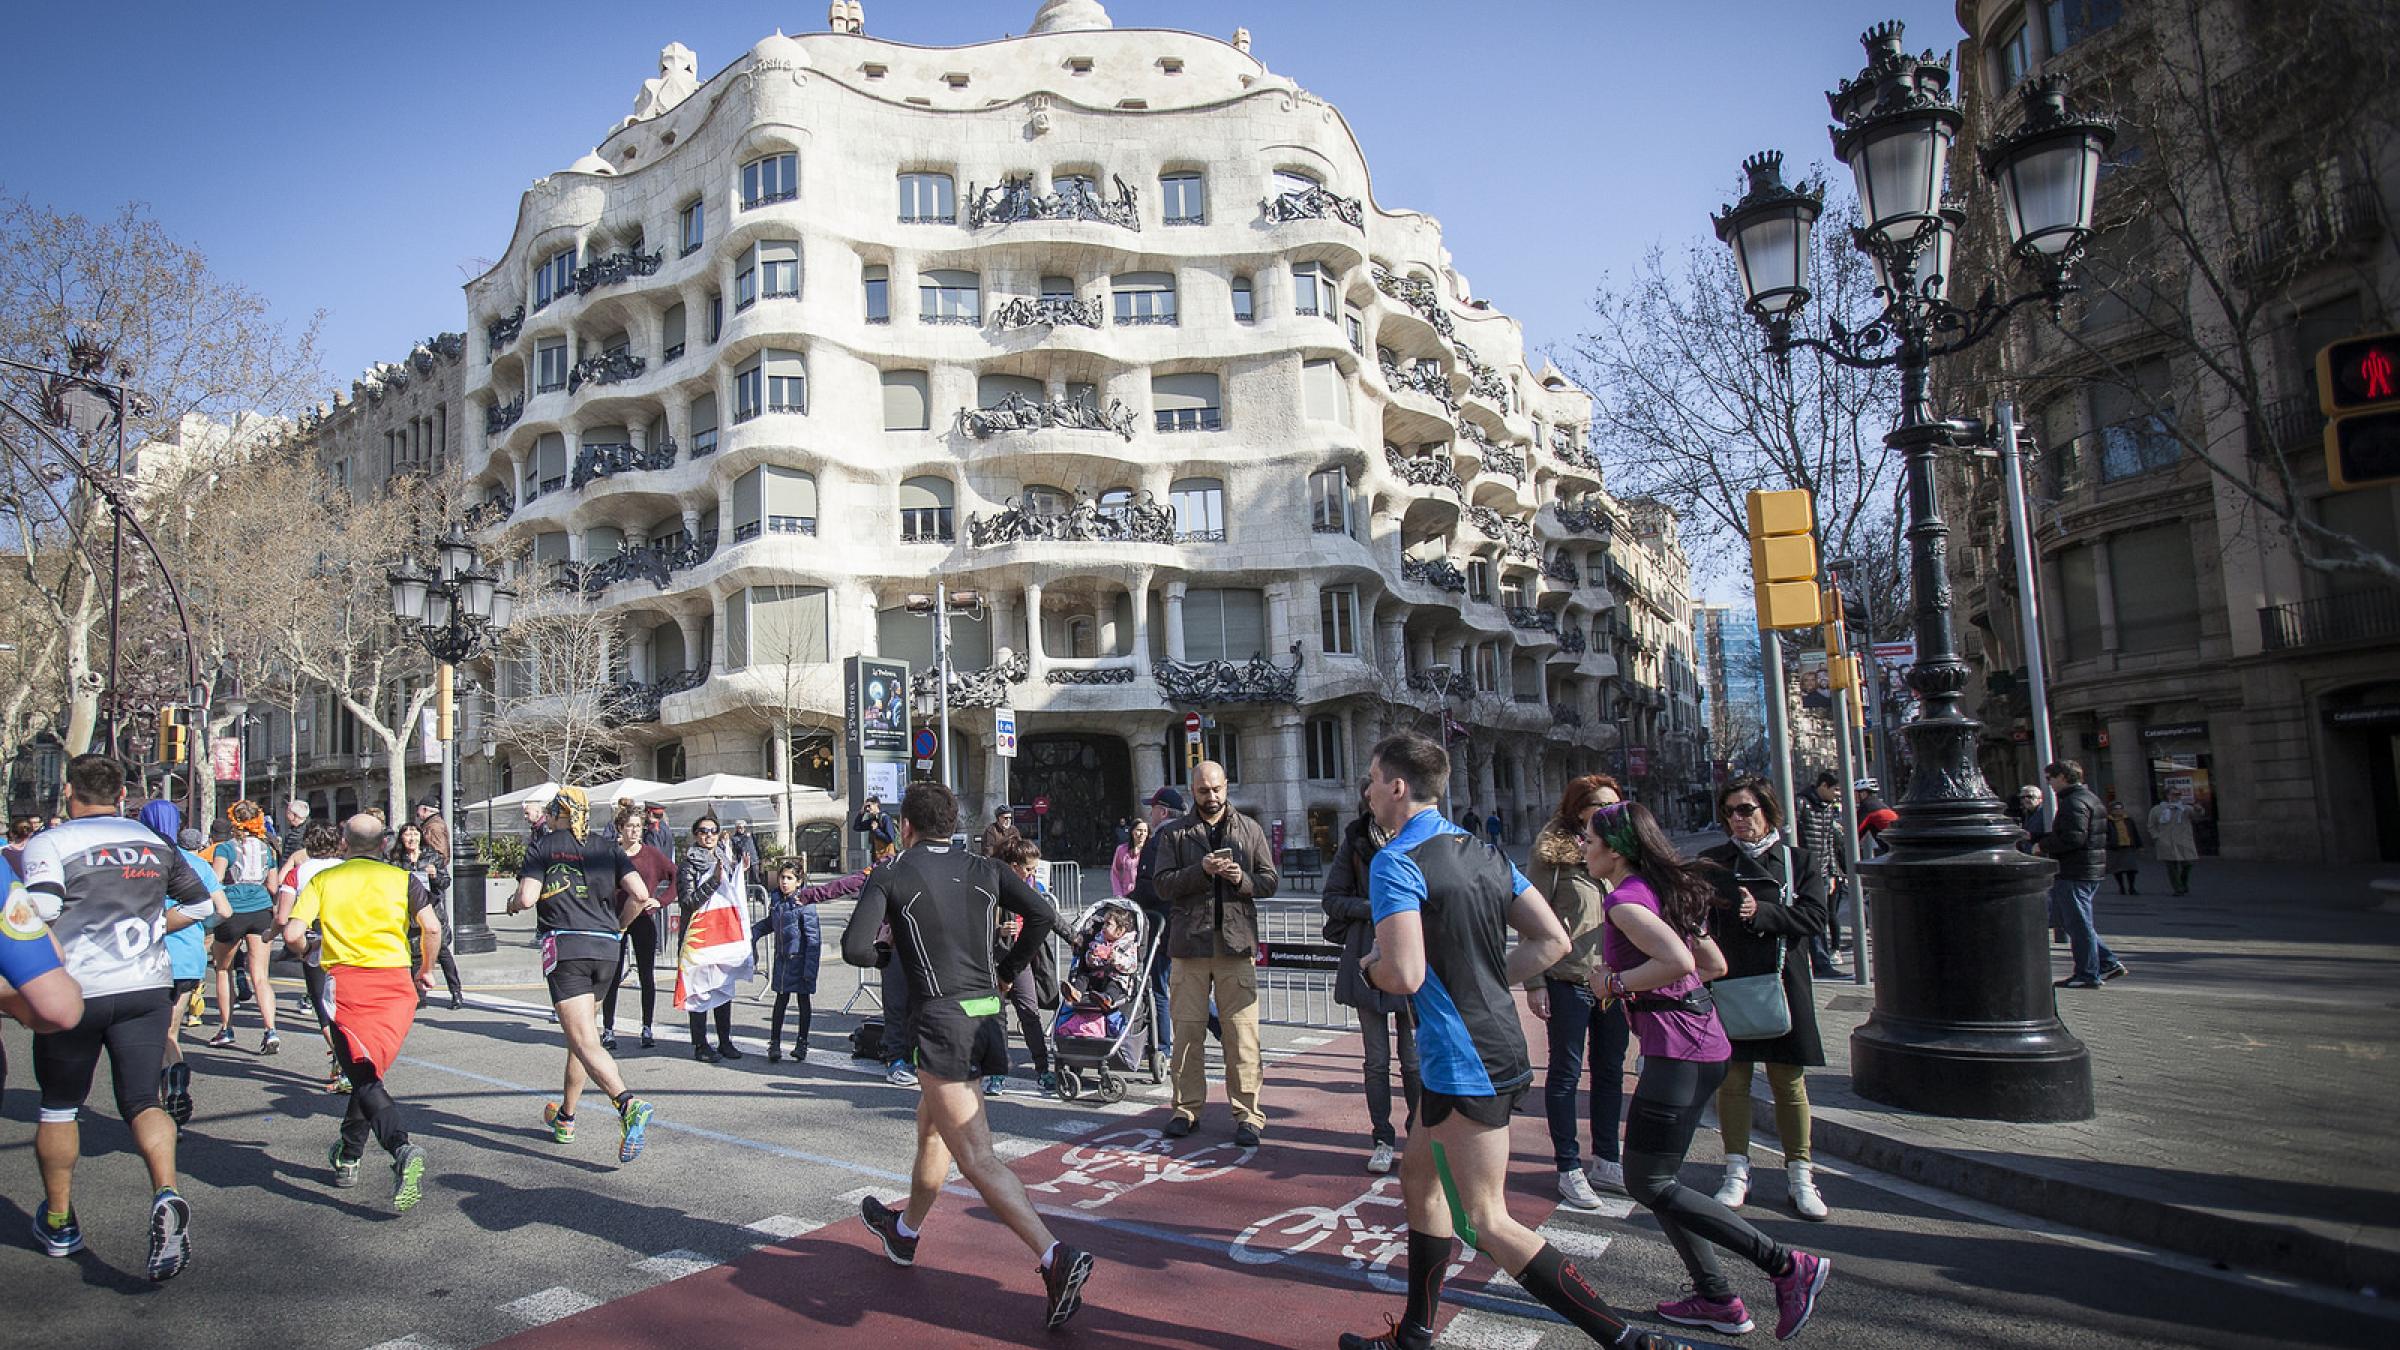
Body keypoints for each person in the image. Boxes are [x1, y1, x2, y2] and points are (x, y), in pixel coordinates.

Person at [1339, 734, 1683, 1350]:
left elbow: (1405, 974)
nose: (1365, 790)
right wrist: (1487, 979)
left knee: (1488, 1219)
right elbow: (1551, 942)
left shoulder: (1396, 861)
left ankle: (1631, 1341)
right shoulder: (1485, 851)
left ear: (1397, 787)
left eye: (1370, 779)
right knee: (1419, 1178)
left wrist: (1367, 969)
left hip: (1463, 1059)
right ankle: (1415, 1334)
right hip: (1489, 1041)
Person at [842, 782, 1094, 1332]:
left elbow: (856, 948)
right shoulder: (986, 866)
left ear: (905, 825)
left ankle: (1054, 1256)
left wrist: (887, 952)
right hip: (986, 1017)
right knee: (932, 1126)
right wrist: (1007, 971)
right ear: (952, 824)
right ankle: (904, 1232)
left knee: (977, 1157)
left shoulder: (893, 871)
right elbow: (1043, 915)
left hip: (942, 1022)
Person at [1583, 798, 1831, 1341]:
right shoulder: (1661, 891)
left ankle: (1786, 1265)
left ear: (1617, 849)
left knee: (1646, 1179)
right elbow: (1713, 964)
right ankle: (1716, 1298)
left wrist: (1615, 984)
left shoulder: (1626, 901)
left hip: (1678, 1052)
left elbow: (1679, 962)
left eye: (1590, 839)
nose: (1583, 847)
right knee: (1657, 1181)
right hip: (1703, 1044)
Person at [20, 754, 216, 1279]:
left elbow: (39, 913)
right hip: (145, 985)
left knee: (60, 1106)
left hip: (76, 989)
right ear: (122, 793)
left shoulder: (51, 842)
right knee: (141, 1100)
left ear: (68, 792)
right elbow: (203, 908)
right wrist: (154, 925)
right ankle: (167, 1192)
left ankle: (60, 1221)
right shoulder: (153, 842)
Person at [286, 813, 441, 1211]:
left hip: (349, 985)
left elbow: (291, 933)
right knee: (367, 1072)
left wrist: (307, 950)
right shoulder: (402, 879)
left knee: (363, 1075)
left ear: (343, 843)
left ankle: (400, 1147)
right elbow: (433, 928)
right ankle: (349, 1155)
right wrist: (425, 970)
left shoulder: (323, 879)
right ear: (384, 845)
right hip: (396, 987)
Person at [1698, 776, 1832, 1224]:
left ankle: (1800, 1174)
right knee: (1732, 1081)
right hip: (1731, 983)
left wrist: (1763, 914)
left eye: (1747, 809)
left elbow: (1814, 916)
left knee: (1788, 1082)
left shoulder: (1798, 862)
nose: (1739, 819)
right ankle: (1736, 1169)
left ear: (1769, 812)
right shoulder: (1713, 863)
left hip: (1782, 983)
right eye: (1731, 811)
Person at [512, 786, 659, 1160]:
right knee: (582, 1037)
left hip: (567, 948)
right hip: (606, 949)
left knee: (583, 1039)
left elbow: (527, 897)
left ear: (557, 812)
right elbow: (640, 894)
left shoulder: (543, 846)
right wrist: (619, 928)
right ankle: (566, 1116)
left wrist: (514, 903)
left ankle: (628, 1104)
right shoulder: (607, 847)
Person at [1154, 760, 1279, 1146]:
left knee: (1242, 1035)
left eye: (1217, 789)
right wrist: (1201, 870)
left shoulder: (1250, 829)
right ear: (1192, 790)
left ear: (1227, 786)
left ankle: (1247, 1114)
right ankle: (1186, 1109)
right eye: (1204, 790)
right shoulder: (1174, 833)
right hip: (1189, 946)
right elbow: (1161, 885)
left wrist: (1241, 879)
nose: (1211, 797)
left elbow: (1270, 881)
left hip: (1235, 945)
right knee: (1188, 1033)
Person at [1525, 774, 1629, 1212]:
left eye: (1614, 803)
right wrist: (1534, 981)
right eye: (1599, 805)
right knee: (1566, 1075)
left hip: (1618, 981)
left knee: (1610, 1072)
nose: (1608, 810)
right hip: (1569, 979)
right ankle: (1568, 1165)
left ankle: (1607, 1158)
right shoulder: (1554, 854)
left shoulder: (1623, 850)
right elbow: (1531, 918)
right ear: (1579, 809)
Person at [1322, 787, 1418, 1176]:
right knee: (1376, 1059)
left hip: (1411, 954)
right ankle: (1382, 1138)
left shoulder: (1419, 838)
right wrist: (1376, 907)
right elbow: (1332, 898)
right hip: (1366, 954)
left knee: (1413, 1060)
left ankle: (1419, 1133)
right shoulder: (1354, 840)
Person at [151, 813, 228, 1129]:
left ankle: (157, 1108)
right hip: (188, 957)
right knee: (171, 1030)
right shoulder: (200, 866)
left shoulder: (147, 859)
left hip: (150, 956)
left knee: (152, 1034)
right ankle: (177, 1083)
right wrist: (203, 930)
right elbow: (224, 910)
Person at [753, 857, 866, 1063]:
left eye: (789, 878)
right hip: (783, 961)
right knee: (780, 1001)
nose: (784, 882)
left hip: (801, 961)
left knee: (803, 1002)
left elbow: (813, 940)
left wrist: (810, 970)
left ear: (799, 881)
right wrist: (755, 931)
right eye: (782, 877)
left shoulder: (805, 904)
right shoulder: (777, 900)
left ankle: (802, 1043)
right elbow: (772, 923)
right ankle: (775, 1043)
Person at [2042, 761, 2129, 990]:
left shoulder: (2074, 802)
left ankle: (2088, 974)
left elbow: (2073, 838)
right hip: (2087, 869)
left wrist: (2042, 845)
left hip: (2076, 871)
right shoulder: (2089, 798)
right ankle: (2107, 962)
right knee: (2073, 922)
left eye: (2050, 778)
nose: (2048, 783)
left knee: (2078, 924)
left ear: (2063, 777)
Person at [206, 801, 284, 1051]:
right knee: (260, 975)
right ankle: (270, 1030)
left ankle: (226, 1027)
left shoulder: (225, 849)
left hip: (233, 910)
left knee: (223, 969)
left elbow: (215, 881)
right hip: (261, 910)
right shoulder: (267, 850)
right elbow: (273, 887)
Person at [675, 815, 751, 1062]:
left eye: (713, 831)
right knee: (699, 991)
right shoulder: (688, 865)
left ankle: (725, 1040)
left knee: (723, 987)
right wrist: (714, 881)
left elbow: (732, 896)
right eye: (703, 831)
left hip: (723, 935)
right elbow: (688, 902)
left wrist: (740, 872)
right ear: (695, 834)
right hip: (698, 937)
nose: (708, 835)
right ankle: (700, 1044)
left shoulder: (725, 860)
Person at [601, 803, 676, 1050]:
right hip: (615, 919)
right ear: (619, 829)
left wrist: (661, 901)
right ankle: (608, 1028)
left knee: (646, 975)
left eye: (638, 826)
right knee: (612, 975)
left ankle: (647, 1028)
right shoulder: (611, 853)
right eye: (629, 826)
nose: (634, 831)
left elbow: (677, 875)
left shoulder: (652, 854)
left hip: (643, 919)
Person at [992, 838, 1060, 1094]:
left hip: (1021, 960)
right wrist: (998, 930)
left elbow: (1049, 916)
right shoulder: (996, 888)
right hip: (998, 958)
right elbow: (974, 924)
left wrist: (1074, 937)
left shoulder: (1032, 887)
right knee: (997, 1015)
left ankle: (1043, 1069)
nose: (1033, 873)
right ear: (1013, 867)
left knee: (1029, 1012)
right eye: (1029, 869)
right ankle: (998, 1073)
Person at [1124, 787, 1182, 1061]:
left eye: (1153, 809)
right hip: (1183, 922)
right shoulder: (1189, 835)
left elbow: (1150, 885)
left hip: (1161, 923)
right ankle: (1220, 1030)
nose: (1150, 814)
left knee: (1159, 986)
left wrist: (1126, 901)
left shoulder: (1159, 840)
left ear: (1164, 811)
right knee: (1182, 984)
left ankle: (1163, 1046)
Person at [390, 821, 463, 1008]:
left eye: (415, 834)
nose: (412, 838)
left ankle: (456, 992)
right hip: (410, 912)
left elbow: (445, 882)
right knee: (415, 954)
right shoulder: (396, 860)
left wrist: (435, 875)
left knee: (442, 951)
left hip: (432, 910)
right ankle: (420, 995)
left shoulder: (432, 857)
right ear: (401, 838)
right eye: (407, 834)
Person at [1795, 773, 1848, 977]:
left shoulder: (1827, 809)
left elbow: (1829, 844)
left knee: (1821, 918)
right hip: (1805, 873)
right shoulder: (1802, 803)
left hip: (1824, 872)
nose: (1837, 794)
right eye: (1835, 789)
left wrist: (1833, 873)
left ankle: (1821, 962)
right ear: (1823, 786)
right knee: (1813, 919)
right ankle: (1820, 964)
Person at [2148, 790, 2199, 896]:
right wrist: (2157, 837)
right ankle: (2178, 888)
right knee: (2171, 867)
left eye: (2178, 795)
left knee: (2188, 864)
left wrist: (2199, 809)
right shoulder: (2157, 810)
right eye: (2174, 794)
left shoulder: (2185, 808)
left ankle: (2183, 882)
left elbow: (2196, 816)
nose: (2177, 797)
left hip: (2184, 841)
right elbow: (2151, 825)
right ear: (2167, 796)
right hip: (2166, 841)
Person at [2104, 800, 2144, 896]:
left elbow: (2134, 833)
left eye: (2120, 808)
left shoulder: (2128, 820)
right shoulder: (2107, 821)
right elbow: (2104, 834)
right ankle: (2121, 887)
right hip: (2114, 848)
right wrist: (2107, 843)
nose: (2118, 811)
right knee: (2117, 869)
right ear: (2111, 810)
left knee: (2131, 869)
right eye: (2116, 809)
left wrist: (2139, 846)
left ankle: (2131, 887)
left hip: (2128, 847)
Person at [1852, 780, 1896, 858]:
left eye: (1855, 793)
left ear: (1863, 793)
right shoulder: (1880, 805)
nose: (1853, 797)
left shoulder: (1867, 807)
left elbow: (1855, 833)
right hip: (1896, 846)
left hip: (1892, 850)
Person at [1109, 818, 1147, 898]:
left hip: (1146, 896)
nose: (1142, 833)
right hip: (1127, 894)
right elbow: (1115, 872)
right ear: (1132, 831)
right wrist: (1118, 893)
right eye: (1139, 830)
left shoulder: (1151, 850)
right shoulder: (1121, 849)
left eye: (1145, 831)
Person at [853, 794, 900, 859]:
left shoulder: (885, 818)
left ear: (876, 804)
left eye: (869, 806)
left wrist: (876, 830)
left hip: (887, 858)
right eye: (866, 807)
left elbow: (890, 839)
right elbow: (857, 827)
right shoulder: (873, 820)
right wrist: (861, 813)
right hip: (877, 858)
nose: (867, 809)